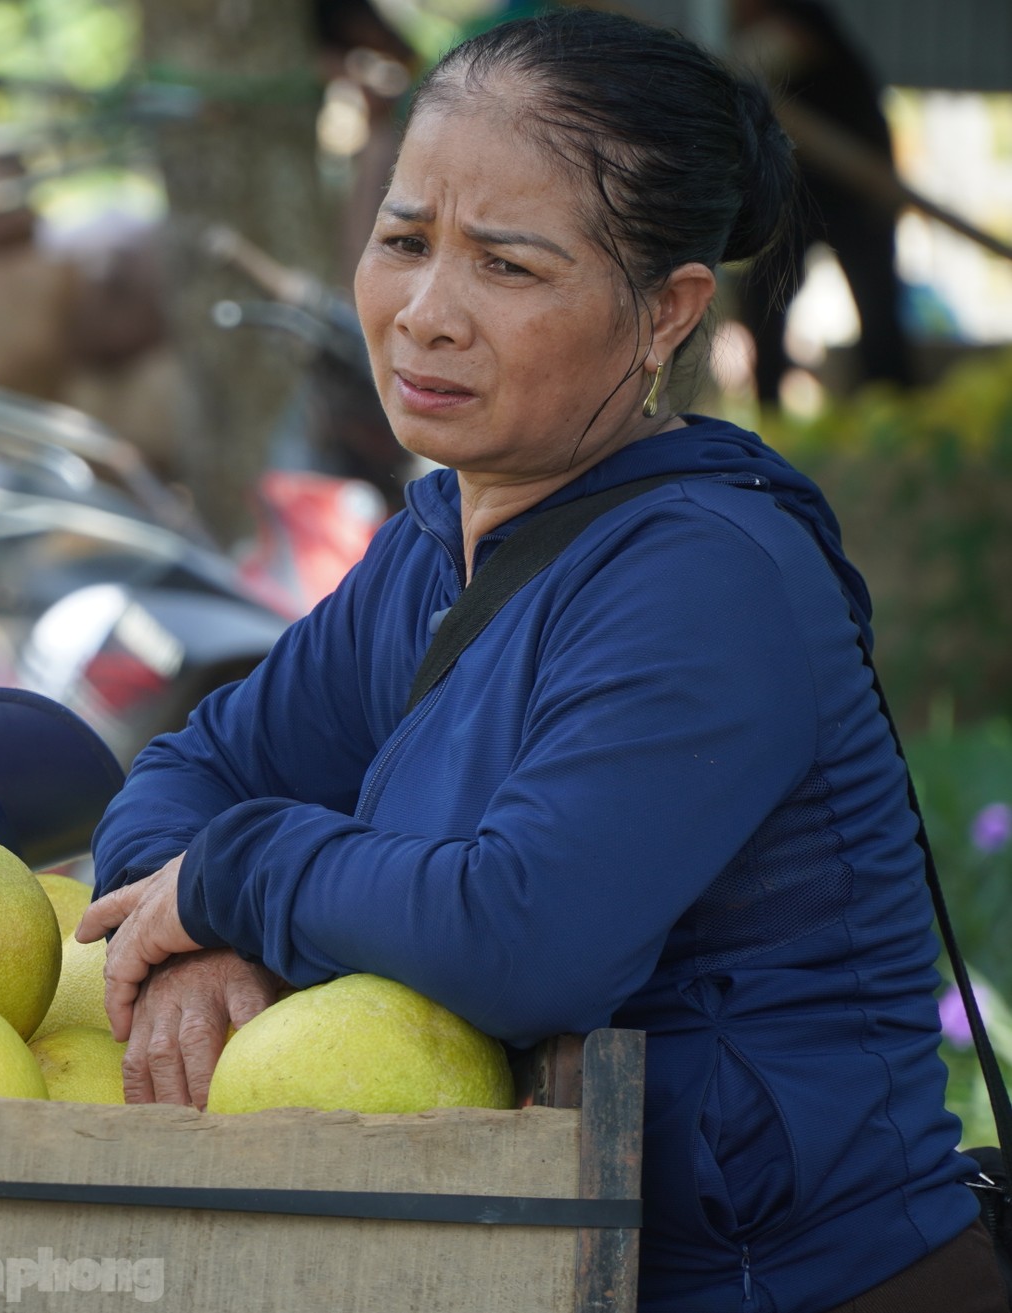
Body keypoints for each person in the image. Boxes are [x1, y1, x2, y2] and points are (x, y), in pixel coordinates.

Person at [79, 11, 1000, 1311]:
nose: (424, 315)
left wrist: (233, 878)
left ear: (665, 312)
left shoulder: (709, 578)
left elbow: (526, 936)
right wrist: (194, 951)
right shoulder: (433, 549)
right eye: (404, 242)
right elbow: (189, 771)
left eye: (506, 267)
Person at [730, 0, 913, 402]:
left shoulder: (802, 18)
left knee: (876, 310)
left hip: (857, 191)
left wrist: (720, 64)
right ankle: (769, 407)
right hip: (799, 194)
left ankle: (893, 407)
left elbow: (767, 56)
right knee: (763, 301)